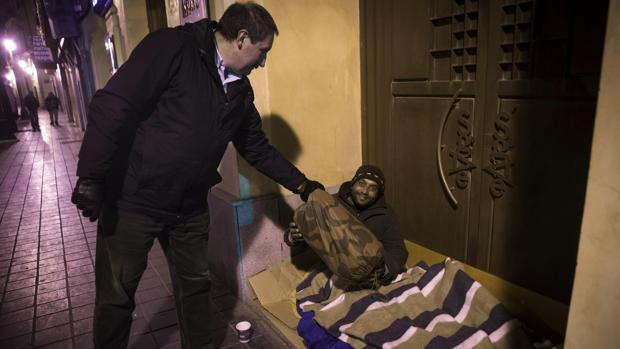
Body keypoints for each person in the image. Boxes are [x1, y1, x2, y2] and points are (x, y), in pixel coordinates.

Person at [70, 3, 323, 348]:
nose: (263, 62)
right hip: (134, 200)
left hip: (188, 208)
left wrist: (303, 185)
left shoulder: (239, 90)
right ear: (242, 37)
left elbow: (256, 147)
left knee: (195, 290)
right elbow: (114, 104)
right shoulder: (172, 48)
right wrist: (92, 176)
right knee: (117, 296)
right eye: (262, 52)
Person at [286, 165, 408, 286]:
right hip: (331, 269)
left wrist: (385, 270)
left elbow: (398, 249)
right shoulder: (331, 204)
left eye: (373, 188)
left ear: (378, 194)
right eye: (361, 183)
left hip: (369, 272)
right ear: (353, 183)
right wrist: (294, 236)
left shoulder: (386, 214)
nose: (365, 191)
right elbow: (304, 233)